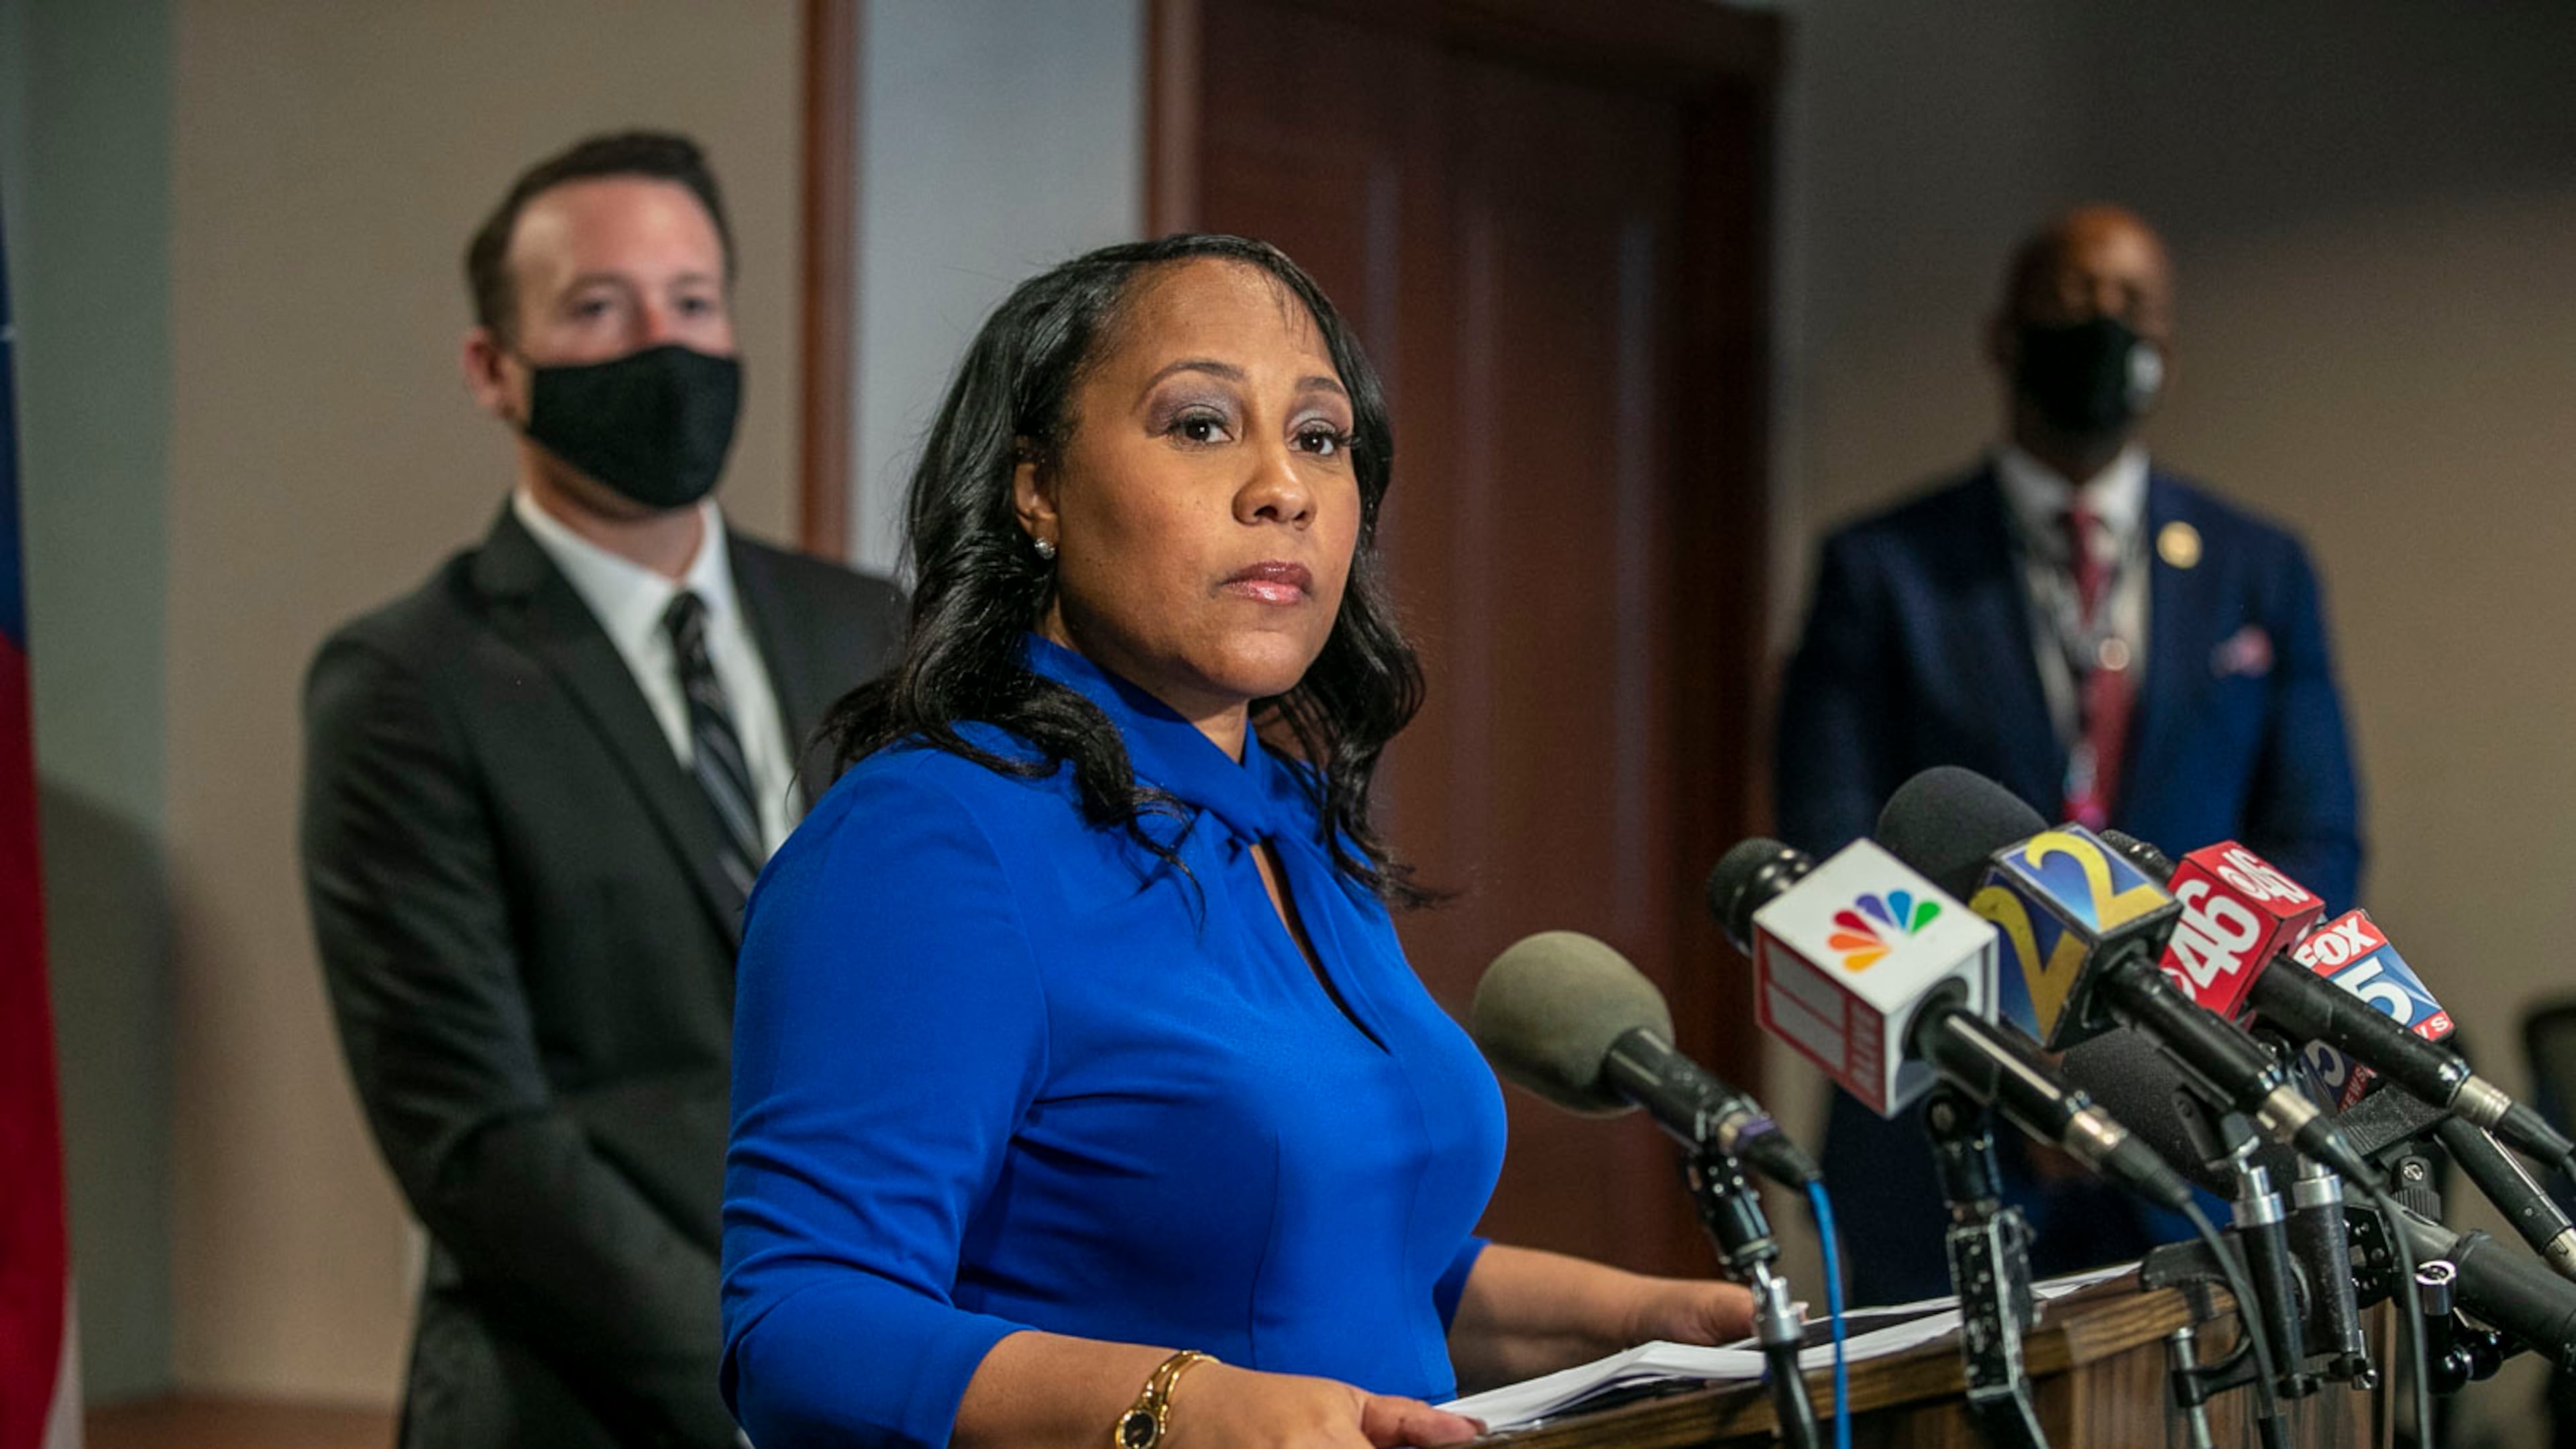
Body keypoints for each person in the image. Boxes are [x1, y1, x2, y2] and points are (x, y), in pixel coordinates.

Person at [720, 234, 1756, 1449]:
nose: (1284, 489)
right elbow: (802, 1323)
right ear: (1036, 487)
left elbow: (1348, 1258)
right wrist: (1178, 1407)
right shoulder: (930, 841)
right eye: (1202, 425)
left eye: (1320, 438)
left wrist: (1645, 1327)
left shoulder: (1297, 825)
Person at [302, 131, 902, 1448]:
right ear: (493, 369)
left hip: (895, 1364)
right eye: (597, 308)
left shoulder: (873, 633)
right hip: (581, 1405)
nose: (661, 346)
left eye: (693, 302)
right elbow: (476, 1138)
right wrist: (762, 1383)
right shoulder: (407, 684)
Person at [1774, 204, 2363, 1305]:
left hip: (2199, 1131)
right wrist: (2017, 1067)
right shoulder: (1881, 569)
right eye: (2070, 300)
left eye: (2131, 306)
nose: (2100, 323)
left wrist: (2147, 1062)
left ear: (2165, 350)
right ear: (2003, 337)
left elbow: (2316, 836)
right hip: (1946, 1141)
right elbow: (1830, 849)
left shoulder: (2259, 570)